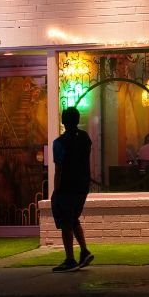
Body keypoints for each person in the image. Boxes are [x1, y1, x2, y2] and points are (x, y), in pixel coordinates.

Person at [51, 107, 94, 272]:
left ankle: (70, 259)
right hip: (82, 186)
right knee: (73, 218)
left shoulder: (59, 143)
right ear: (77, 120)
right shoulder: (85, 138)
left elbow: (59, 169)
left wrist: (56, 190)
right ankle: (84, 251)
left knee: (66, 223)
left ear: (63, 122)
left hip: (67, 187)